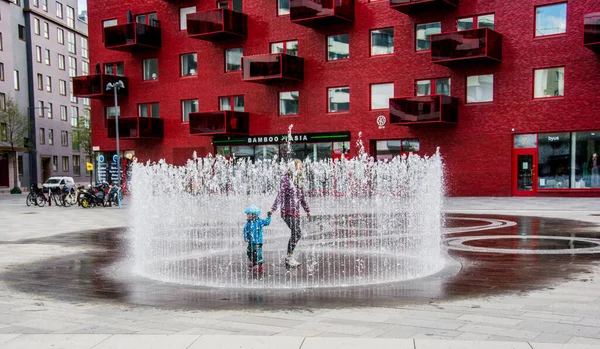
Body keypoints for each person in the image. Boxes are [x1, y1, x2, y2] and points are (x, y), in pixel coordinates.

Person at [269, 159, 310, 268]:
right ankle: (289, 258)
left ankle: (289, 257)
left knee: (296, 233)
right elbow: (280, 195)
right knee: (296, 232)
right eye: (300, 167)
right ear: (295, 167)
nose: (301, 169)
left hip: (295, 212)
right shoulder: (286, 179)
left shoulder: (298, 180)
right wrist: (273, 209)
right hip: (286, 211)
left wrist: (307, 210)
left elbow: (302, 198)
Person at [243, 205, 271, 271]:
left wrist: (269, 216)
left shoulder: (259, 222)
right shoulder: (248, 223)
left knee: (257, 253)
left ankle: (261, 265)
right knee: (249, 252)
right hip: (251, 242)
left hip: (258, 242)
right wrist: (245, 237)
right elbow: (245, 231)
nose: (247, 215)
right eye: (247, 214)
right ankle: (253, 262)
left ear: (254, 214)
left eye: (249, 214)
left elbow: (267, 222)